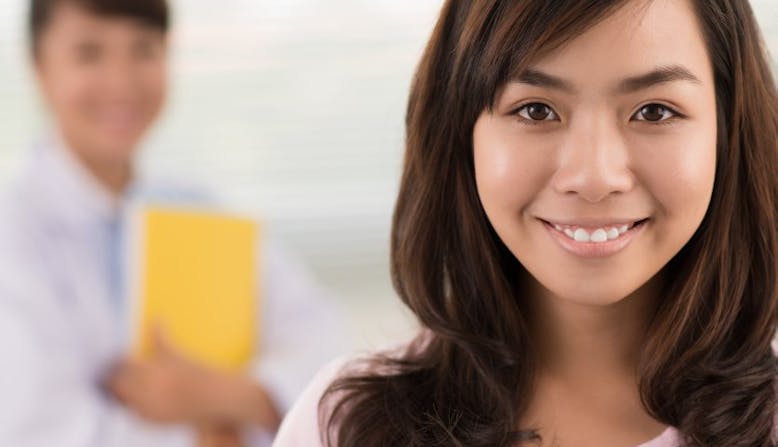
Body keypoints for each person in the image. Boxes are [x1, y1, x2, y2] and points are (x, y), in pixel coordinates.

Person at [274, 0, 778, 446]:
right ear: (459, 134)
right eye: (535, 110)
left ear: (728, 132)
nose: (594, 177)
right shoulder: (343, 426)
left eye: (654, 111)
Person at [0, 0, 344, 446]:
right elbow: (36, 427)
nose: (121, 82)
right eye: (89, 53)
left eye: (143, 49)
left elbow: (329, 354)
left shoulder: (199, 208)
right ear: (38, 67)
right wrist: (212, 435)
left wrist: (224, 394)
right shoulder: (14, 229)